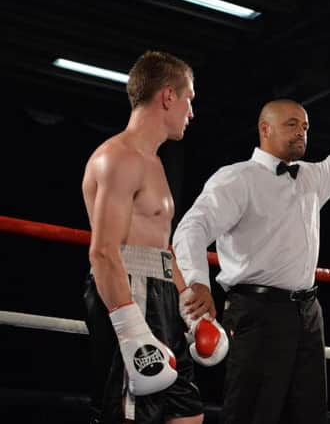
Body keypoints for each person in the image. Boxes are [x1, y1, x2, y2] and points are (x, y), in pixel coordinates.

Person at [171, 57, 330, 423]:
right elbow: (191, 230)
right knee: (253, 413)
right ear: (265, 129)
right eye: (291, 125)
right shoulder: (238, 179)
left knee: (308, 413)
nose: (301, 132)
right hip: (257, 311)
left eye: (305, 126)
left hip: (308, 313)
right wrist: (197, 284)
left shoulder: (311, 178)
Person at [82, 50, 226, 424]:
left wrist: (186, 303)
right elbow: (103, 252)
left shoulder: (154, 162)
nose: (191, 113)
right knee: (130, 415)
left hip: (159, 292)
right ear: (168, 96)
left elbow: (160, 247)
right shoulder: (118, 158)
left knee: (188, 414)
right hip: (128, 292)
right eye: (189, 100)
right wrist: (131, 329)